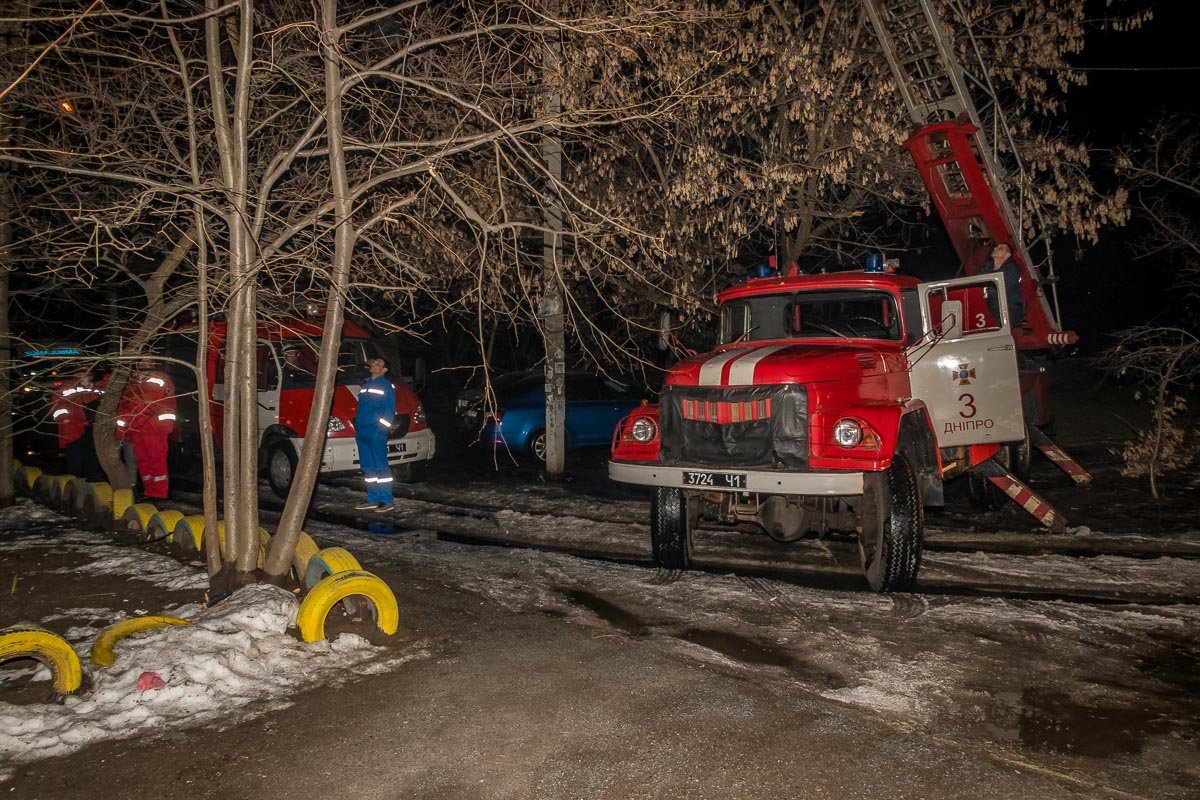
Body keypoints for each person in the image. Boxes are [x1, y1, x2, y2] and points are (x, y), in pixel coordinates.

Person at [118, 355, 177, 500]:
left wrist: (164, 426)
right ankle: (149, 491)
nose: (145, 363)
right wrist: (123, 430)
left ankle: (159, 493)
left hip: (153, 428)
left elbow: (166, 404)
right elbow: (124, 406)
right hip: (136, 428)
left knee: (156, 460)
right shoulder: (132, 381)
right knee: (142, 462)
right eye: (142, 360)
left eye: (148, 360)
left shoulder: (161, 378)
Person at [354, 356, 396, 513]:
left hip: (375, 431)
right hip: (362, 431)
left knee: (380, 466)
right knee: (367, 467)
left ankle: (386, 500)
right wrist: (359, 427)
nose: (374, 363)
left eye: (379, 363)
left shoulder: (386, 386)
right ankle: (373, 498)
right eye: (374, 361)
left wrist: (380, 430)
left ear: (384, 370)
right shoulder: (366, 385)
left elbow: (390, 411)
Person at [51, 368, 104, 480]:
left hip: (91, 427)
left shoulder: (95, 389)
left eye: (86, 375)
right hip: (74, 428)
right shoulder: (67, 387)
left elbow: (98, 404)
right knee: (75, 457)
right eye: (80, 374)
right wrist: (63, 418)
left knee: (92, 456)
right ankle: (74, 481)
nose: (83, 377)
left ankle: (91, 481)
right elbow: (56, 404)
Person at [981, 242, 1026, 327]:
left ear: (1007, 255)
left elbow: (1004, 289)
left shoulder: (1012, 269)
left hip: (1009, 310)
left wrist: (986, 291)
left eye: (1000, 248)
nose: (995, 248)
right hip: (991, 309)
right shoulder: (987, 268)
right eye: (996, 247)